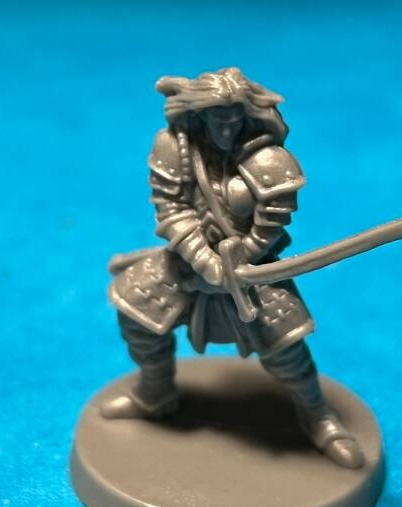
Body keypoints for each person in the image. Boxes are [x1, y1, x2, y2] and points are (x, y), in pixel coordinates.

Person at [103, 67, 363, 469]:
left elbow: (273, 222)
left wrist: (247, 253)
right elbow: (171, 208)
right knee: (135, 312)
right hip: (184, 262)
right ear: (200, 114)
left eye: (234, 119)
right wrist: (205, 260)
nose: (226, 128)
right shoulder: (174, 146)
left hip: (251, 270)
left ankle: (318, 417)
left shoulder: (269, 159)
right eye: (218, 118)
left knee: (286, 346)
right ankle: (155, 393)